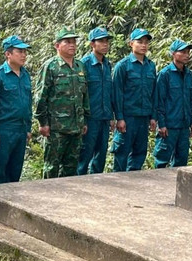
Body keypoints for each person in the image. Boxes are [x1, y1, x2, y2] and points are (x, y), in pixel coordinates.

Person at [35, 27, 90, 179]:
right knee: (51, 166)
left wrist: (84, 119)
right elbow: (41, 97)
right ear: (57, 45)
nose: (72, 45)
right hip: (56, 128)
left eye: (74, 42)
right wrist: (43, 122)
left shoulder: (80, 66)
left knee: (71, 167)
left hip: (76, 126)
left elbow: (84, 95)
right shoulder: (50, 66)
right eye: (67, 42)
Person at [0, 36, 32, 185]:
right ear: (8, 54)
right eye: (19, 51)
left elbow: (28, 103)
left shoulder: (25, 75)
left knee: (15, 173)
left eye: (25, 51)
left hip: (21, 129)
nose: (24, 55)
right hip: (4, 130)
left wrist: (28, 128)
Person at [110, 28, 158, 171]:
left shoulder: (151, 66)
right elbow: (117, 93)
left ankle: (133, 185)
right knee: (122, 153)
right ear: (131, 44)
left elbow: (153, 93)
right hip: (128, 117)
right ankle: (117, 185)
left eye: (146, 42)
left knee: (139, 153)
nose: (143, 45)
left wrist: (153, 117)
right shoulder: (123, 66)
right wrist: (119, 118)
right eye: (139, 42)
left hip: (144, 117)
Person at [153, 39, 192, 168]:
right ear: (173, 53)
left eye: (188, 52)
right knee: (162, 160)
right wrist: (161, 124)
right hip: (169, 126)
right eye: (183, 52)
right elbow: (159, 100)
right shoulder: (165, 74)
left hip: (184, 126)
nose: (187, 55)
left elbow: (191, 100)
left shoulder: (189, 75)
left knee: (181, 161)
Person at [77, 27, 115, 175]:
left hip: (104, 118)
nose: (105, 44)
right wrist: (82, 120)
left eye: (106, 41)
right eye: (101, 41)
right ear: (92, 44)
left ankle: (97, 186)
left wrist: (111, 117)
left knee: (101, 155)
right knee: (84, 155)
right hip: (90, 118)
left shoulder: (107, 65)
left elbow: (109, 92)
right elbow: (80, 94)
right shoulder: (84, 64)